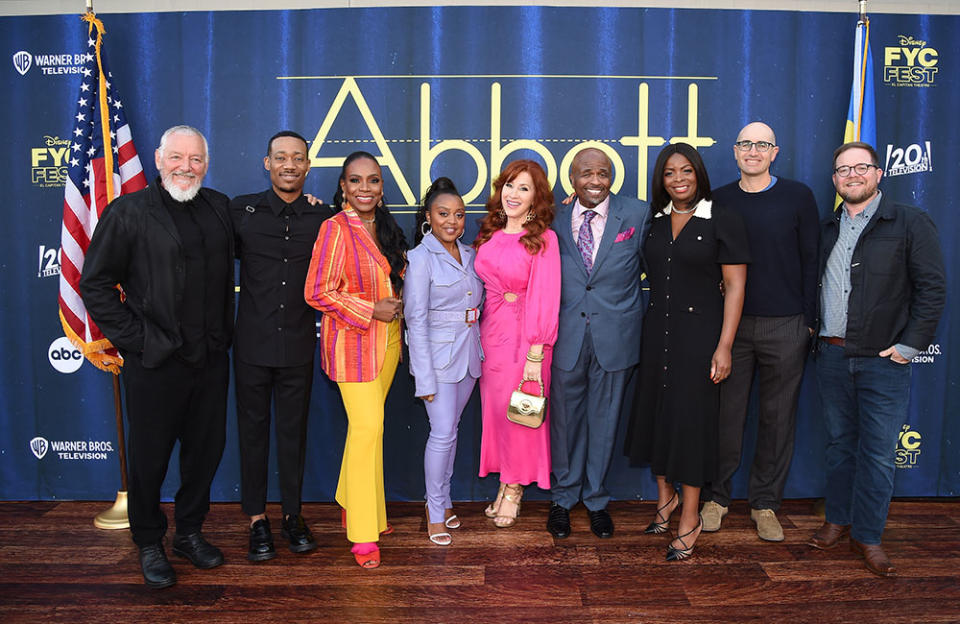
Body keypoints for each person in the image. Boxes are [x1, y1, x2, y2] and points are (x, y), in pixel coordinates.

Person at [80, 125, 234, 588]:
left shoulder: (220, 208)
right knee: (148, 459)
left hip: (210, 359)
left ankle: (189, 533)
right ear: (158, 159)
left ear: (206, 164)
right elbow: (95, 284)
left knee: (205, 455)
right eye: (177, 158)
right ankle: (148, 540)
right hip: (155, 363)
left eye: (196, 160)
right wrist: (137, 339)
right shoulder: (128, 212)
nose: (186, 167)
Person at [809, 141, 945, 577]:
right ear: (834, 179)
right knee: (839, 447)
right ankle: (838, 520)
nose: (852, 175)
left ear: (879, 173)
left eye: (860, 167)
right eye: (843, 169)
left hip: (882, 361)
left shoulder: (908, 222)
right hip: (831, 356)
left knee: (879, 454)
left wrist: (908, 347)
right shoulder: (826, 227)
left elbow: (932, 289)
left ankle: (868, 536)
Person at [625, 142, 749, 561]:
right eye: (669, 173)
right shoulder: (655, 223)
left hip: (700, 338)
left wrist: (725, 345)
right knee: (658, 417)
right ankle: (666, 501)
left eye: (686, 171)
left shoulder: (723, 219)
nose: (678, 179)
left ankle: (690, 515)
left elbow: (734, 286)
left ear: (699, 174)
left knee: (692, 427)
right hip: (656, 332)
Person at [703, 122, 820, 541]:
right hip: (731, 329)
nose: (753, 150)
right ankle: (716, 498)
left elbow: (812, 260)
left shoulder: (798, 196)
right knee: (725, 419)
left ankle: (766, 503)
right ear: (735, 152)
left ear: (775, 152)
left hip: (787, 325)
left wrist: (808, 321)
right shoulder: (716, 200)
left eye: (762, 145)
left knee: (777, 419)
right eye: (745, 144)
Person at [231, 131, 334, 562]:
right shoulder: (240, 211)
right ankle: (257, 521)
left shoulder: (324, 218)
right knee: (252, 435)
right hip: (251, 345)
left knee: (293, 436)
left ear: (308, 166)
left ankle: (293, 516)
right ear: (266, 163)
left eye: (297, 158)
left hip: (297, 346)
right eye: (280, 158)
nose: (289, 164)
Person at [304, 151, 407, 569]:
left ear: (382, 188)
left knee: (367, 434)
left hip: (390, 343)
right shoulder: (334, 228)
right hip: (353, 346)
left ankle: (356, 504)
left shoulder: (385, 226)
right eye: (356, 181)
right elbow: (317, 292)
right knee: (368, 428)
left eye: (373, 181)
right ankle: (363, 534)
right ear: (343, 187)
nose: (365, 188)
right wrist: (370, 310)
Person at [547, 148, 650, 540]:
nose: (595, 180)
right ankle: (562, 499)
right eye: (586, 173)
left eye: (602, 173)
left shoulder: (637, 215)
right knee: (565, 423)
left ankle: (596, 502)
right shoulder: (552, 218)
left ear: (612, 177)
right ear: (571, 178)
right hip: (566, 337)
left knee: (604, 423)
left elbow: (657, 269)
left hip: (616, 338)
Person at [473, 159, 561, 528]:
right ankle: (504, 482)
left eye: (523, 188)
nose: (513, 194)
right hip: (490, 337)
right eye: (509, 185)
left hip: (526, 340)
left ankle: (513, 489)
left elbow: (546, 296)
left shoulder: (543, 239)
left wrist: (535, 353)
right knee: (496, 415)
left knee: (522, 416)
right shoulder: (489, 233)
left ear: (536, 197)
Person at [404, 177, 484, 545]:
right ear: (428, 217)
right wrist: (422, 376)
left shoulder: (470, 253)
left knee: (451, 432)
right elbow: (415, 319)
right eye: (443, 214)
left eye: (459, 215)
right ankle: (434, 509)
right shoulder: (419, 259)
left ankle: (445, 500)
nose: (452, 221)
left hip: (469, 355)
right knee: (442, 434)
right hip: (436, 361)